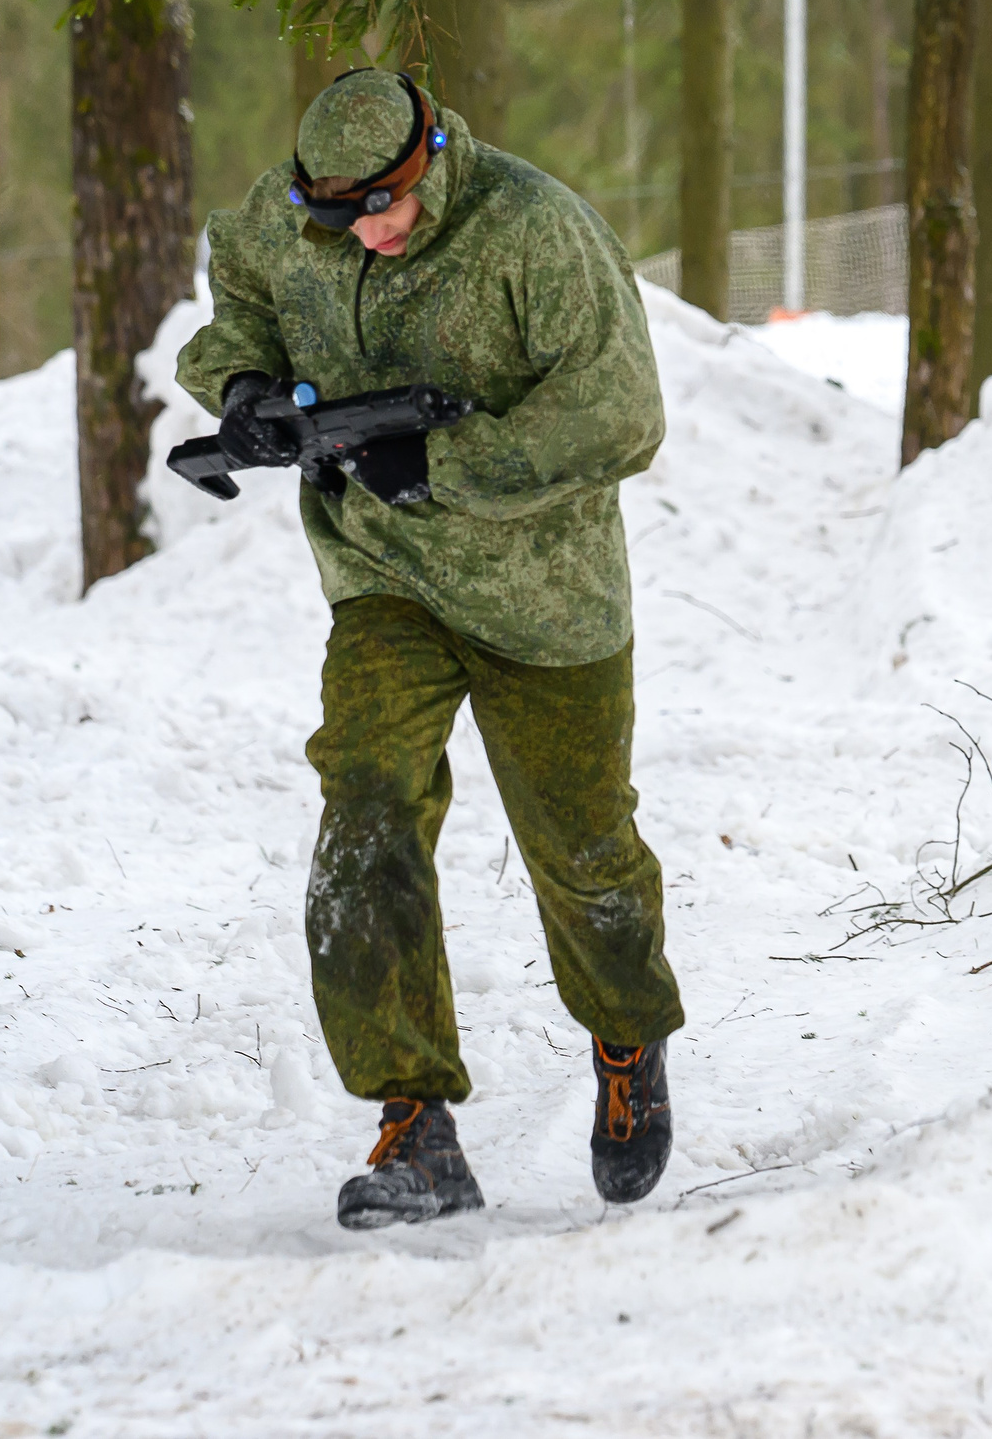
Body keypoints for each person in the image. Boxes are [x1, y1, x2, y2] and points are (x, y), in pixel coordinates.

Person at [177, 68, 683, 1230]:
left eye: (388, 207)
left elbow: (621, 414)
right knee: (364, 801)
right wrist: (246, 382)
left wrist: (449, 467)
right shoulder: (289, 217)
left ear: (432, 157)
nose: (370, 233)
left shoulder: (538, 231)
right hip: (383, 578)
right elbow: (242, 284)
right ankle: (416, 1128)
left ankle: (625, 1037)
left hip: (543, 590)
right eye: (341, 215)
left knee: (582, 844)